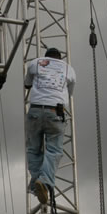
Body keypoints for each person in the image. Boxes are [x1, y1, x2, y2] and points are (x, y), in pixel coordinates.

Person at [24, 47, 76, 204]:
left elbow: (27, 84)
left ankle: (36, 183)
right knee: (54, 150)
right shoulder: (68, 69)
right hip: (55, 111)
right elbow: (70, 92)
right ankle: (44, 181)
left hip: (35, 111)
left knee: (33, 149)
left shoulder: (35, 63)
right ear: (60, 58)